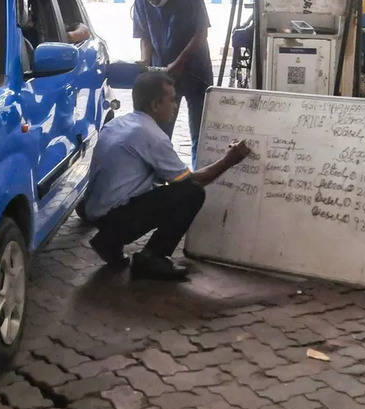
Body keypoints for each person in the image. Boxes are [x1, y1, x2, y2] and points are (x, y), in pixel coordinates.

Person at [82, 71, 252, 280]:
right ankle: (153, 256)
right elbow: (190, 182)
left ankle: (109, 240)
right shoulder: (151, 136)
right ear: (155, 105)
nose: (175, 105)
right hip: (115, 216)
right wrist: (230, 159)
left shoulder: (119, 123)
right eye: (172, 100)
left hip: (96, 212)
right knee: (191, 193)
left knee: (168, 190)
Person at [131, 0, 213, 154]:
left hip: (196, 73)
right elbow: (144, 35)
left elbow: (201, 33)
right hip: (164, 77)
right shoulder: (141, 2)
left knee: (199, 135)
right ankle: (161, 178)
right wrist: (145, 60)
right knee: (160, 133)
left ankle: (197, 179)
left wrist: (180, 62)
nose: (152, 1)